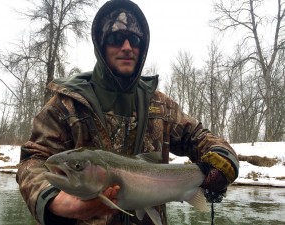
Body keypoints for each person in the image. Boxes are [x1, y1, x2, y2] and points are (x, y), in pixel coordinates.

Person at [16, 0, 239, 225]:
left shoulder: (161, 106)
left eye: (134, 40)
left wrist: (222, 162)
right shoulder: (66, 105)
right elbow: (33, 160)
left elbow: (201, 138)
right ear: (101, 45)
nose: (126, 47)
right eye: (115, 39)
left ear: (142, 48)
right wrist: (54, 201)